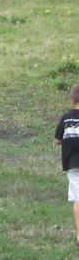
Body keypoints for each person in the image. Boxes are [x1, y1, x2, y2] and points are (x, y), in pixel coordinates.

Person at [56, 84, 79, 242]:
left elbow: (58, 139)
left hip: (73, 162)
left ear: (72, 100)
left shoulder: (66, 117)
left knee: (78, 199)